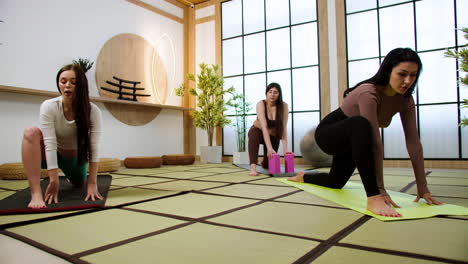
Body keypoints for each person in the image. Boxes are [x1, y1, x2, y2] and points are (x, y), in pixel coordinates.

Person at [288, 48, 442, 217]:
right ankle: (372, 197)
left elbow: (413, 143)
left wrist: (422, 186)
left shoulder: (406, 100)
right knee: (361, 124)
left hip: (353, 140)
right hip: (328, 135)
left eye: (413, 75)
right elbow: (375, 142)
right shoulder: (368, 92)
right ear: (388, 71)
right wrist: (379, 191)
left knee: (335, 182)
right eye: (402, 74)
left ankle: (304, 177)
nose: (407, 81)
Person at [22, 64, 103, 209]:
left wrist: (92, 183)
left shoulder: (93, 111)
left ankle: (77, 177)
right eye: (63, 81)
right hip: (52, 154)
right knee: (30, 132)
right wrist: (54, 181)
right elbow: (50, 143)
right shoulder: (49, 106)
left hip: (75, 160)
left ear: (82, 85)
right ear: (58, 83)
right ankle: (35, 193)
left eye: (74, 82)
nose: (67, 86)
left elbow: (94, 146)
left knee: (79, 184)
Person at [248, 82, 289, 176]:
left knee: (267, 165)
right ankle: (253, 167)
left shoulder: (284, 106)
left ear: (279, 94)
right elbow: (264, 127)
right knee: (253, 134)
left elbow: (283, 128)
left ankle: (263, 162)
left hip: (273, 135)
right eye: (270, 92)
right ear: (266, 93)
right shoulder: (261, 104)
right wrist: (270, 148)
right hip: (259, 130)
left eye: (275, 92)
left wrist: (286, 149)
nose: (272, 94)